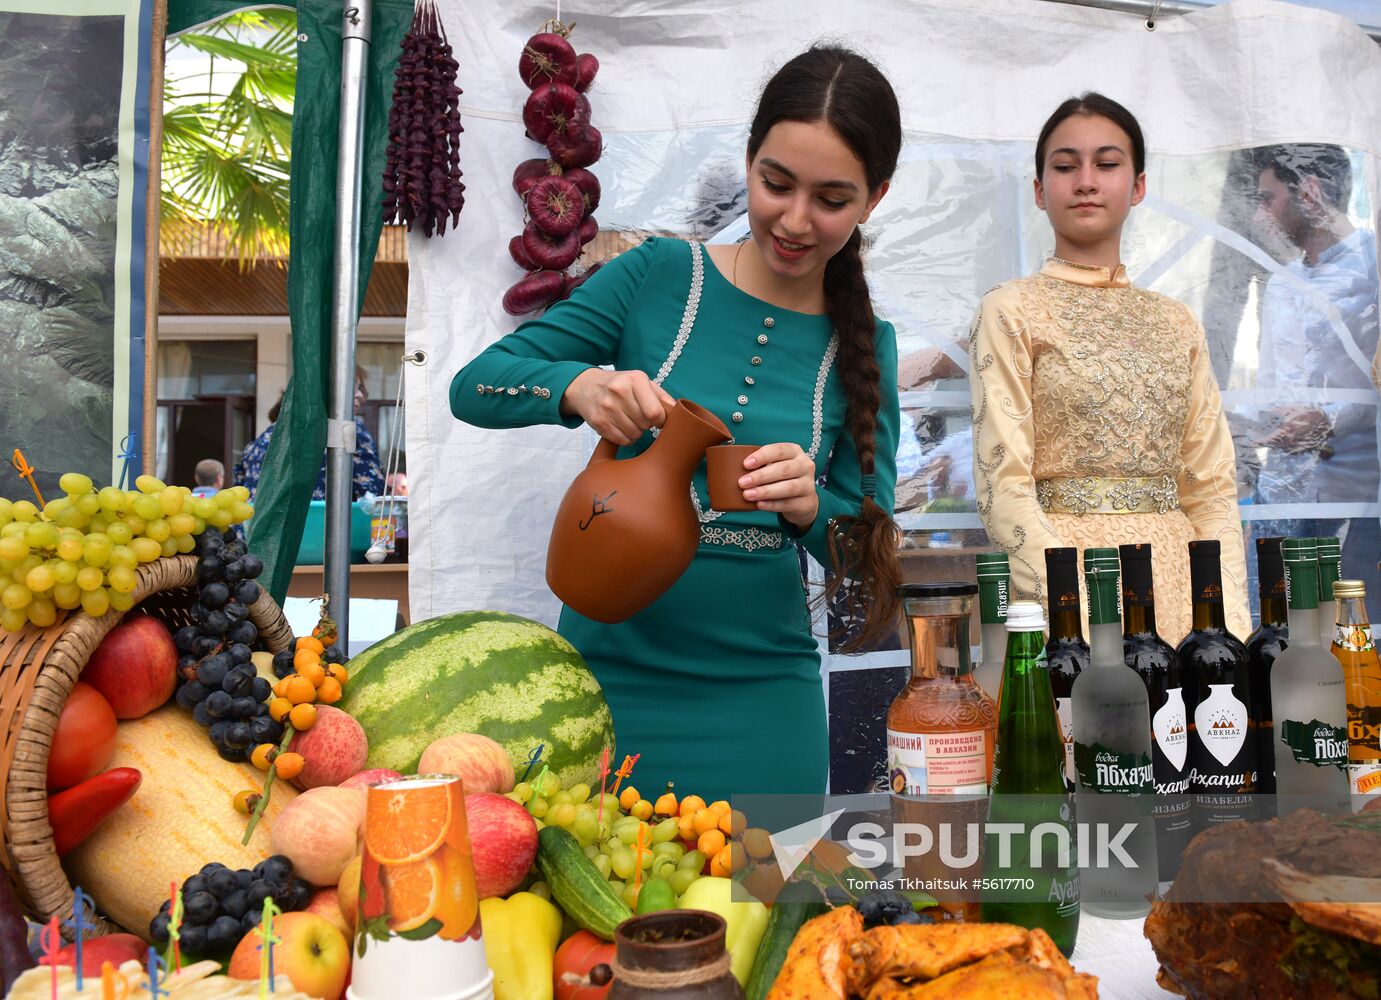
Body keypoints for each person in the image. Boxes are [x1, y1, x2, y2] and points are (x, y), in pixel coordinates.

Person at [450, 46, 903, 799]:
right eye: (775, 183)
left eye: (830, 199)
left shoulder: (866, 346)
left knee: (760, 912)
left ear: (872, 199)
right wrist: (579, 388)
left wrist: (807, 506)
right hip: (602, 687)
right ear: (749, 161)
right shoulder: (659, 274)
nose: (794, 221)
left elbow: (867, 555)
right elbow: (475, 387)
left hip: (763, 706)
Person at [969, 93, 1250, 643]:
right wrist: (1080, 604)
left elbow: (1210, 487)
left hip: (1181, 585)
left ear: (1138, 185)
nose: (1086, 181)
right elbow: (1002, 484)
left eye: (1107, 163)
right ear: (1039, 190)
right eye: (1065, 165)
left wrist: (1229, 613)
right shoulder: (1011, 309)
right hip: (1065, 586)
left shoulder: (1177, 321)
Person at [1248, 143, 1380, 599]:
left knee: (1351, 640)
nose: (1260, 212)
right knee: (1272, 634)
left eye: (1268, 198)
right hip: (1280, 493)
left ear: (1309, 190)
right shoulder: (1282, 281)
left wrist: (1330, 420)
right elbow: (1272, 385)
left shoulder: (1374, 266)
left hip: (1356, 497)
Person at [234, 369, 385, 502]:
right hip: (317, 529)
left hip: (256, 531)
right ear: (328, 389)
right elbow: (371, 494)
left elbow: (240, 490)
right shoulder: (345, 427)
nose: (359, 395)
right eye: (353, 387)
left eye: (361, 389)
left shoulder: (262, 439)